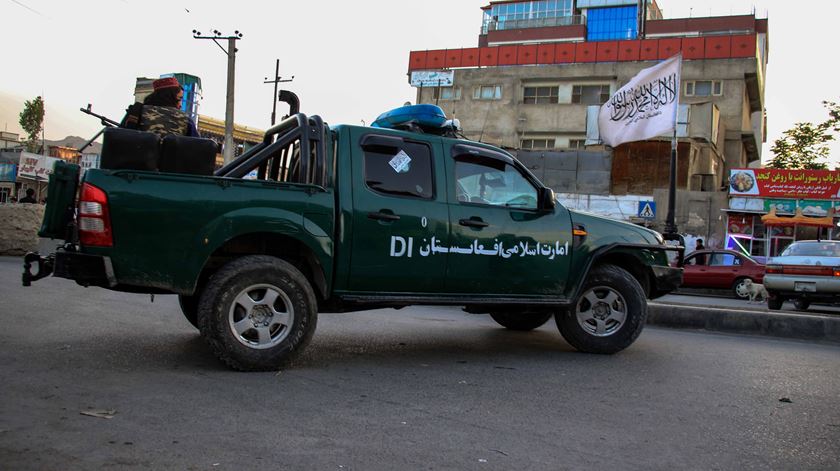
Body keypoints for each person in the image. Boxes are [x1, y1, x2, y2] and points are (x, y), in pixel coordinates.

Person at [121, 77, 200, 138]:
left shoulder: (137, 111)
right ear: (169, 97)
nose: (181, 105)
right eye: (179, 99)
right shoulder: (185, 119)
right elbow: (199, 147)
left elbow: (118, 136)